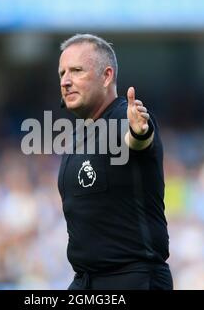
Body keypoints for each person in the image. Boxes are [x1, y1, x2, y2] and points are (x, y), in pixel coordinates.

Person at [57, 34, 173, 290]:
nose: (66, 81)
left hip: (133, 279)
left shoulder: (125, 117)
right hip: (85, 281)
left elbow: (138, 140)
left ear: (107, 76)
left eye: (76, 71)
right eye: (62, 73)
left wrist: (139, 132)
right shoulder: (77, 136)